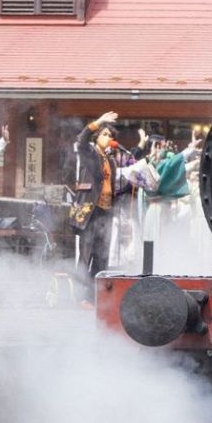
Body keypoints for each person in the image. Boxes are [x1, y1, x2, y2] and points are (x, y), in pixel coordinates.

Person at [72, 111, 130, 298]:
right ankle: (80, 295)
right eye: (104, 134)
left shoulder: (110, 160)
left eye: (110, 135)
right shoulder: (89, 153)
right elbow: (81, 140)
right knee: (86, 254)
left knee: (102, 256)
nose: (108, 138)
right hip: (91, 210)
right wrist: (98, 122)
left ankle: (95, 296)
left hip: (106, 210)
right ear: (97, 138)